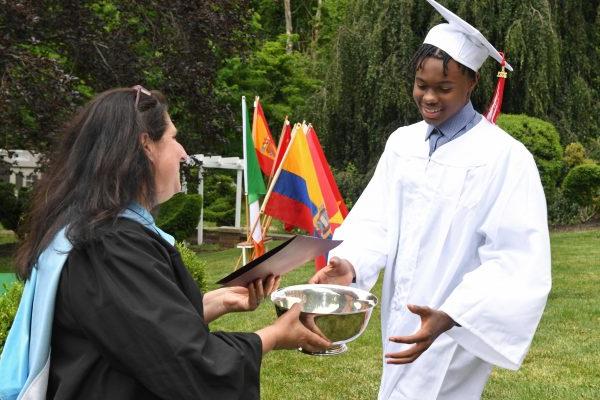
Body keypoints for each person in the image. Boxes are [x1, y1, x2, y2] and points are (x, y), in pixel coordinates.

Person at [0, 86, 330, 400]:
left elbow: (133, 330)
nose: (183, 153)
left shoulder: (93, 232)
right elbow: (183, 363)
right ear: (146, 145)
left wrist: (218, 302)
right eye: (173, 138)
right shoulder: (109, 247)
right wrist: (273, 336)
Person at [309, 1, 551, 399]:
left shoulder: (503, 157)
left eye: (444, 88)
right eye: (422, 85)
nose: (429, 98)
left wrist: (455, 313)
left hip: (455, 320)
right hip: (403, 312)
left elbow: (517, 257)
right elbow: (376, 220)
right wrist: (349, 266)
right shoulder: (403, 143)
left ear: (472, 83)